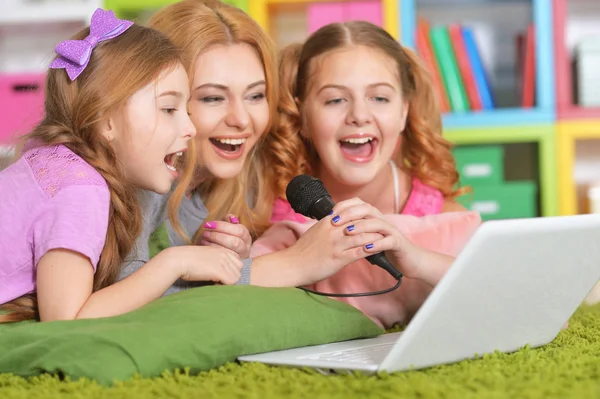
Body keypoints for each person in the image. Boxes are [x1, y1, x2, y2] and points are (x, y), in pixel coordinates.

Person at [118, 0, 389, 293]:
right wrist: (294, 263)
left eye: (255, 96)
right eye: (212, 98)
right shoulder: (138, 183)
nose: (241, 120)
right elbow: (127, 309)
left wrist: (234, 263)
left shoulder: (233, 187)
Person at [0, 9, 243, 323]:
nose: (190, 128)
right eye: (169, 108)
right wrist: (173, 263)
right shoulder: (78, 189)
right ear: (106, 120)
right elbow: (65, 320)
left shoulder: (54, 162)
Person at [250, 21, 482, 328]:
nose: (359, 115)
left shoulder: (444, 220)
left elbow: (519, 299)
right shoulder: (267, 213)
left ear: (403, 113)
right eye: (335, 100)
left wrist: (421, 261)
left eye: (379, 98)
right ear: (302, 116)